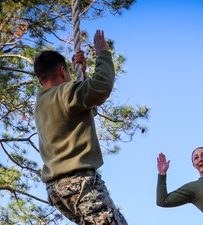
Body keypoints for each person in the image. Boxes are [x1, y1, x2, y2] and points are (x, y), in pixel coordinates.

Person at [34, 30, 127, 225]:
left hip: (57, 191)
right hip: (80, 183)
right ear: (62, 71)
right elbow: (101, 87)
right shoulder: (67, 93)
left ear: (40, 79)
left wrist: (81, 74)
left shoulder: (41, 104)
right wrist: (102, 53)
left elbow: (85, 110)